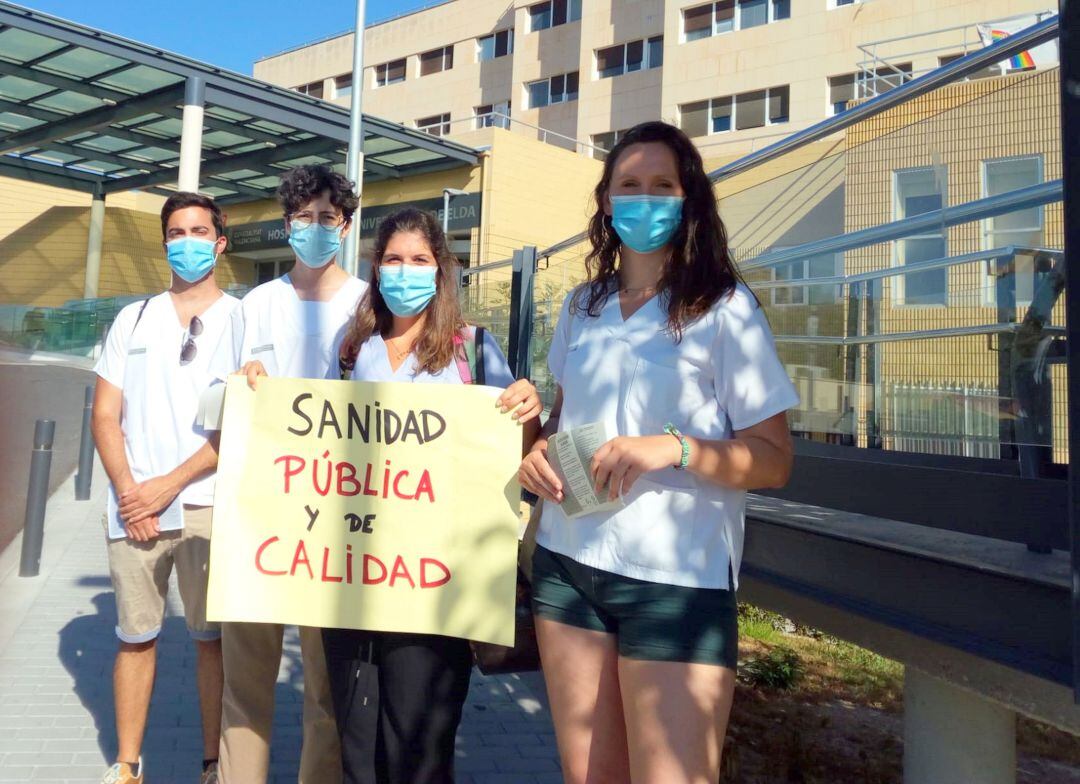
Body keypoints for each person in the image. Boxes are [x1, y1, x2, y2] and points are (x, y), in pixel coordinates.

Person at [517, 121, 800, 784]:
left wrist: (672, 447)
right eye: (629, 186)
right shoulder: (580, 307)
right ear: (607, 203)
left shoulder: (725, 310)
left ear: (688, 199)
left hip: (676, 582)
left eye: (661, 186)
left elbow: (773, 457)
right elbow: (566, 422)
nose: (644, 201)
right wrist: (535, 453)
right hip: (568, 567)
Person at [323, 207, 543, 784]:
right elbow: (316, 443)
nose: (404, 271)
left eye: (418, 260)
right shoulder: (351, 351)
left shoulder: (473, 350)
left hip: (435, 586)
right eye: (393, 260)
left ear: (440, 270)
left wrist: (527, 411)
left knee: (419, 747)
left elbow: (522, 455)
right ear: (376, 269)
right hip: (353, 578)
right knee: (355, 745)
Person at [209, 164, 367, 784]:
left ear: (346, 226)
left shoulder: (368, 306)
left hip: (337, 524)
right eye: (303, 218)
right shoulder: (256, 306)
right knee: (246, 684)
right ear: (287, 224)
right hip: (259, 519)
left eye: (328, 218)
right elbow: (217, 408)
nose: (315, 228)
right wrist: (237, 387)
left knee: (327, 691)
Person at [93, 192, 239, 784]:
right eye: (176, 232)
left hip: (209, 506)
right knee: (135, 638)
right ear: (165, 244)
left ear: (220, 242)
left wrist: (168, 487)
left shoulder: (243, 319)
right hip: (133, 513)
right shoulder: (133, 319)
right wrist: (133, 492)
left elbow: (245, 423)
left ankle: (212, 762)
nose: (188, 242)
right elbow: (106, 415)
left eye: (199, 231)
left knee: (212, 641)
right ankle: (127, 763)